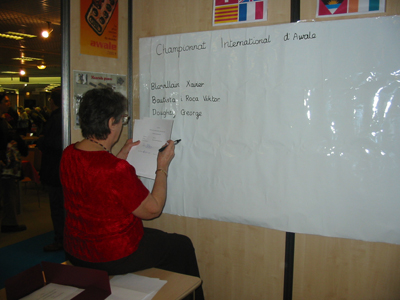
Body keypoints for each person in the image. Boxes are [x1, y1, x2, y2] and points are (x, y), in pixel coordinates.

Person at [60, 88, 204, 300]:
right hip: (110, 255)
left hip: (75, 250)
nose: (122, 124)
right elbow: (152, 210)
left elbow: (97, 188)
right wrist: (162, 166)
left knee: (163, 241)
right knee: (181, 245)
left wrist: (120, 156)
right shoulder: (115, 169)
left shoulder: (69, 153)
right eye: (122, 119)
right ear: (111, 123)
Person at [37, 88, 64, 251]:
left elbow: (53, 144)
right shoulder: (63, 117)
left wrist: (41, 142)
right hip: (59, 169)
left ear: (52, 101)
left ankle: (60, 239)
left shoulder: (55, 119)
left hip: (54, 170)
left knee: (57, 206)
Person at [0, 92, 28, 233]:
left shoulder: (6, 120)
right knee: (7, 193)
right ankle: (9, 223)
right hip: (5, 164)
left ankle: (9, 221)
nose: (8, 104)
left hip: (8, 164)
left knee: (8, 192)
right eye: (5, 101)